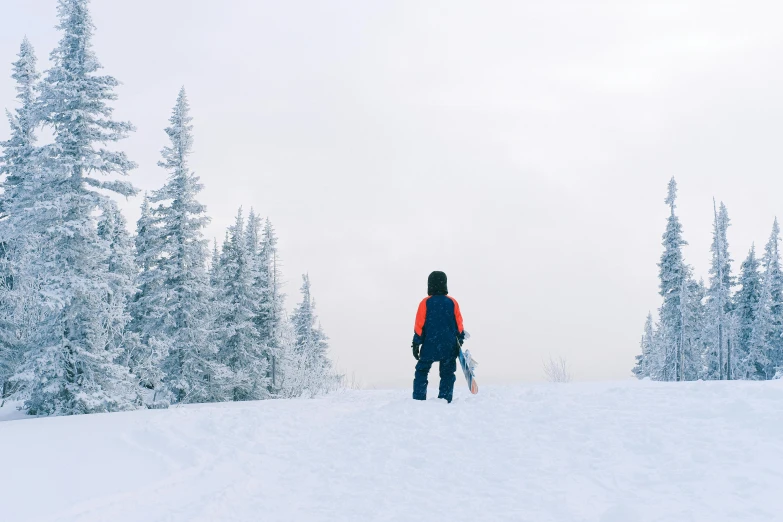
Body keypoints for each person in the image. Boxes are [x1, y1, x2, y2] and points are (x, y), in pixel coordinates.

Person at [411, 271, 466, 403]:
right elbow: (459, 323)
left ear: (429, 285)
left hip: (430, 344)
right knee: (447, 373)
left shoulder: (425, 303)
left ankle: (419, 398)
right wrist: (461, 338)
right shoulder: (452, 302)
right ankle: (445, 398)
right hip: (449, 345)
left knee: (422, 370)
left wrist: (416, 343)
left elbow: (419, 324)